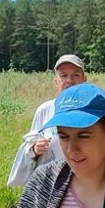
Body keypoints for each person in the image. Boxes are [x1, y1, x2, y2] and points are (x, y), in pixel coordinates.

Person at [6, 54, 87, 186]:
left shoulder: (92, 111)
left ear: (84, 80)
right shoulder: (45, 110)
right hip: (49, 185)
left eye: (76, 75)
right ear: (56, 82)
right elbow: (30, 146)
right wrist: (34, 149)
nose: (69, 81)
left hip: (83, 184)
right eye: (63, 75)